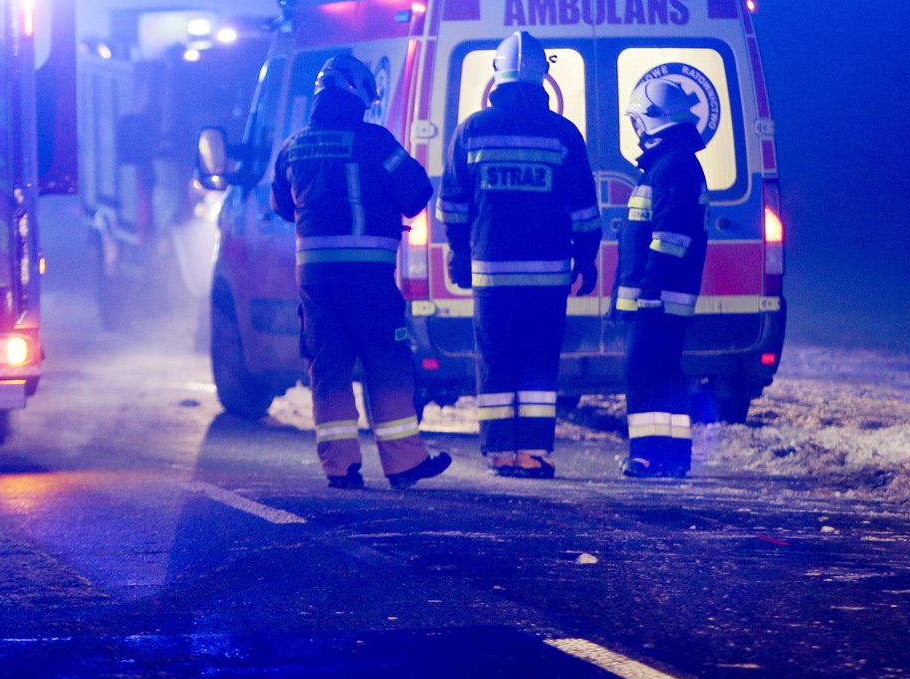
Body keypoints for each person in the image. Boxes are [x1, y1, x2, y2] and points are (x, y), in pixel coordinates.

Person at [272, 54, 453, 490]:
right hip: (369, 277)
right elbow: (416, 192)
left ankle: (341, 467)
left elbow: (281, 206)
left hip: (314, 279)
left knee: (328, 365)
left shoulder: (293, 146)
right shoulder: (375, 142)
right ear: (357, 95)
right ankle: (404, 463)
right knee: (386, 360)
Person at [438, 31, 601, 479]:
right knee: (537, 361)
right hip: (548, 275)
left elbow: (453, 203)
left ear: (498, 77)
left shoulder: (472, 130)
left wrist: (458, 253)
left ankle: (498, 453)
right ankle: (531, 453)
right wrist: (585, 259)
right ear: (542, 79)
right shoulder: (563, 134)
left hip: (492, 272)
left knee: (495, 358)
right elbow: (584, 210)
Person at [613, 77, 710, 478]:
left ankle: (648, 457)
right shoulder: (673, 163)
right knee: (664, 374)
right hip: (665, 296)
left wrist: (649, 292)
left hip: (658, 297)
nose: (637, 130)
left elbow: (669, 238)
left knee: (644, 373)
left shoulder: (672, 166)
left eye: (638, 122)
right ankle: (670, 459)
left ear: (654, 120)